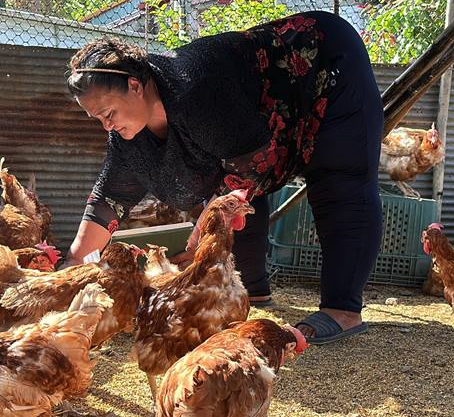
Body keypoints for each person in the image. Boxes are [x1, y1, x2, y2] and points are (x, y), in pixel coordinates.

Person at [63, 11, 383, 344]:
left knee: (338, 179)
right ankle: (251, 291)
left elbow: (249, 165)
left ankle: (342, 311)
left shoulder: (192, 89)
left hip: (326, 64)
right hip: (258, 118)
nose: (106, 126)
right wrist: (71, 266)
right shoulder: (127, 136)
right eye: (97, 118)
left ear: (134, 86)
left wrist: (203, 233)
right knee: (230, 194)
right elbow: (108, 201)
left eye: (109, 113)